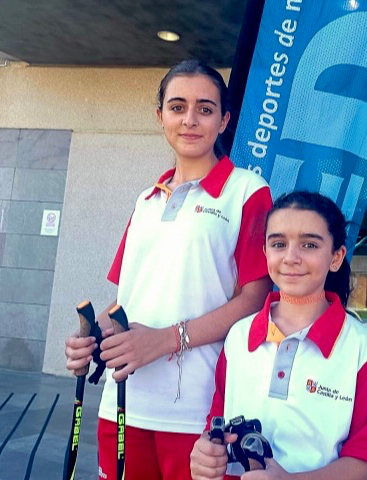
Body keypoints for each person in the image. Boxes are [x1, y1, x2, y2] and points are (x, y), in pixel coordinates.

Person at [64, 60, 273, 480]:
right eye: (177, 107)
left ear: (224, 120)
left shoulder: (248, 191)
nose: (190, 120)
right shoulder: (146, 199)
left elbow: (255, 298)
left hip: (197, 409)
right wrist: (91, 337)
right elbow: (129, 296)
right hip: (122, 403)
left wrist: (166, 341)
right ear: (160, 117)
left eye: (205, 108)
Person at [190, 191, 367, 479]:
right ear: (266, 253)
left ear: (336, 256)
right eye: (278, 243)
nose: (291, 257)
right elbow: (215, 426)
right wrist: (206, 452)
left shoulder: (363, 350)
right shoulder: (238, 337)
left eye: (309, 244)